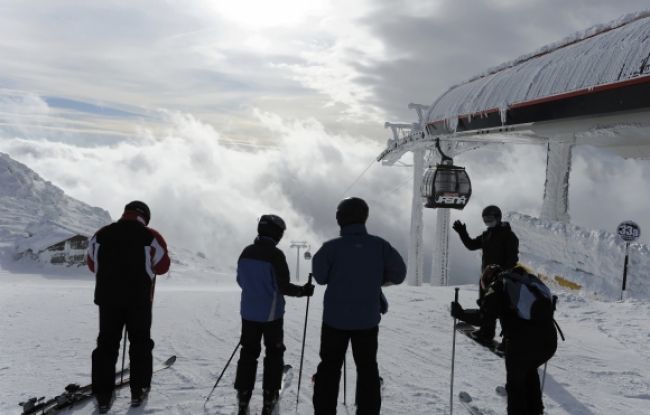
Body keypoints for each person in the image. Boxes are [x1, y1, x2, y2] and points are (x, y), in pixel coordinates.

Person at [312, 197, 406, 415]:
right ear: (365, 217)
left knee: (329, 367)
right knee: (367, 368)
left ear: (339, 220)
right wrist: (375, 278)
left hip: (335, 320)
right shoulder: (380, 246)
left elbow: (320, 277)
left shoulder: (329, 248)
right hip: (367, 320)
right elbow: (399, 275)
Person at [86, 200, 170, 413]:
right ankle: (139, 390)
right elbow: (162, 266)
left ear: (125, 213)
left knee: (106, 344)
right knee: (140, 343)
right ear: (145, 217)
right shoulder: (151, 236)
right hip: (139, 301)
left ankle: (103, 395)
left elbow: (91, 264)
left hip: (107, 300)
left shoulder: (101, 234)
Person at [234, 214, 315, 415]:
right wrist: (303, 291)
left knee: (248, 353)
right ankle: (269, 398)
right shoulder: (275, 255)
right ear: (276, 233)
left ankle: (243, 399)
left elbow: (240, 280)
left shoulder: (246, 252)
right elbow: (283, 286)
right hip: (271, 316)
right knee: (273, 353)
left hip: (248, 313)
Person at [450, 265, 558, 415]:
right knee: (528, 371)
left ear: (487, 280)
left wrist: (460, 313)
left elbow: (484, 317)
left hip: (523, 345)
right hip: (549, 342)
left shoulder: (498, 286)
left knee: (515, 385)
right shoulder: (525, 280)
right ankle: (535, 411)